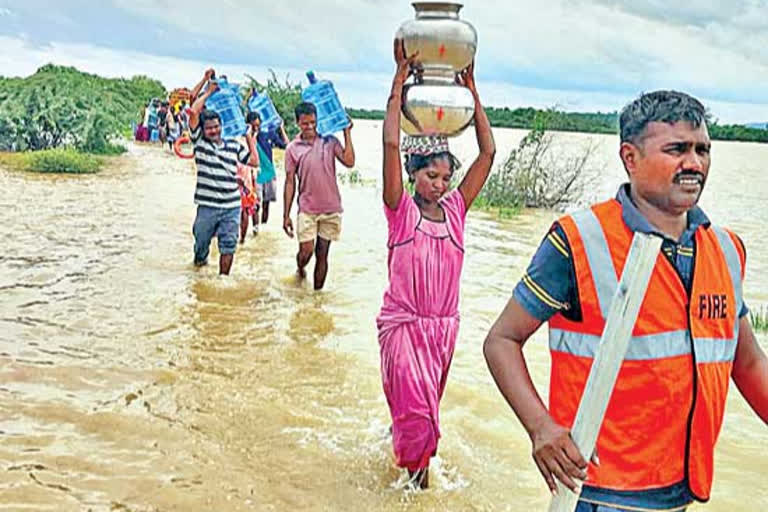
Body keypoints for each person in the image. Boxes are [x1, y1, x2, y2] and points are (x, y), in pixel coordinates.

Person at [483, 90, 768, 511]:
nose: (694, 163)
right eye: (677, 149)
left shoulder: (725, 250)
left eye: (703, 149)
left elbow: (747, 363)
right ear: (630, 158)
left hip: (680, 491)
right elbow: (501, 340)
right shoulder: (578, 241)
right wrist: (541, 428)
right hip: (598, 494)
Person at [377, 39, 496, 489]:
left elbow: (487, 155)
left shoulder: (456, 211)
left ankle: (406, 468)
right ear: (413, 174)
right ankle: (415, 492)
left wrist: (474, 91)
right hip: (404, 326)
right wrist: (397, 85)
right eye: (431, 175)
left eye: (446, 177)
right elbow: (390, 142)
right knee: (420, 422)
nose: (440, 184)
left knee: (423, 412)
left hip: (443, 330)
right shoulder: (400, 210)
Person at [188, 68, 259, 275]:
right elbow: (193, 112)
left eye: (217, 127)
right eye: (209, 128)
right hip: (207, 207)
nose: (214, 131)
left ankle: (223, 281)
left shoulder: (232, 145)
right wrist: (209, 91)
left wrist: (249, 138)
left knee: (228, 246)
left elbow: (254, 162)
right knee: (201, 247)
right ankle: (199, 271)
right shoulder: (199, 142)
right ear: (203, 130)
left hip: (231, 206)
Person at [283, 101, 355, 290]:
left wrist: (347, 132)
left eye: (313, 122)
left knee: (323, 253)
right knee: (306, 251)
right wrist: (286, 215)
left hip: (331, 208)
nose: (310, 127)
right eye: (305, 123)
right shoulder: (292, 148)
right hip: (307, 209)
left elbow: (349, 162)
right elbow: (290, 182)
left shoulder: (329, 141)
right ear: (297, 123)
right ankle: (300, 267)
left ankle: (317, 297)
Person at [245, 110, 289, 234]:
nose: (256, 128)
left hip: (269, 173)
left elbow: (287, 146)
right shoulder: (245, 139)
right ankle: (255, 229)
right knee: (255, 204)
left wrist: (281, 129)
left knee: (266, 203)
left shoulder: (268, 135)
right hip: (254, 174)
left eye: (258, 125)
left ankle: (263, 230)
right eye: (253, 126)